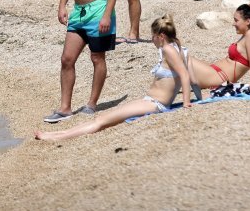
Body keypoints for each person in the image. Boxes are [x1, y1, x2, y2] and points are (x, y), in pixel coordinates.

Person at [35, 14, 192, 141]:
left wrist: (186, 104)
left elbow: (184, 75)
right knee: (103, 119)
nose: (152, 40)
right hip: (150, 101)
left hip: (155, 104)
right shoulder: (179, 48)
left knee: (102, 120)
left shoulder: (169, 51)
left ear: (161, 36)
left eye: (153, 36)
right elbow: (187, 74)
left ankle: (56, 137)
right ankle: (59, 134)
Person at [187, 1, 250, 92]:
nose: (233, 24)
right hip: (214, 72)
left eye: (236, 20)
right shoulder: (246, 35)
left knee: (180, 56)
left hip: (218, 77)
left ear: (248, 21)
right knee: (177, 56)